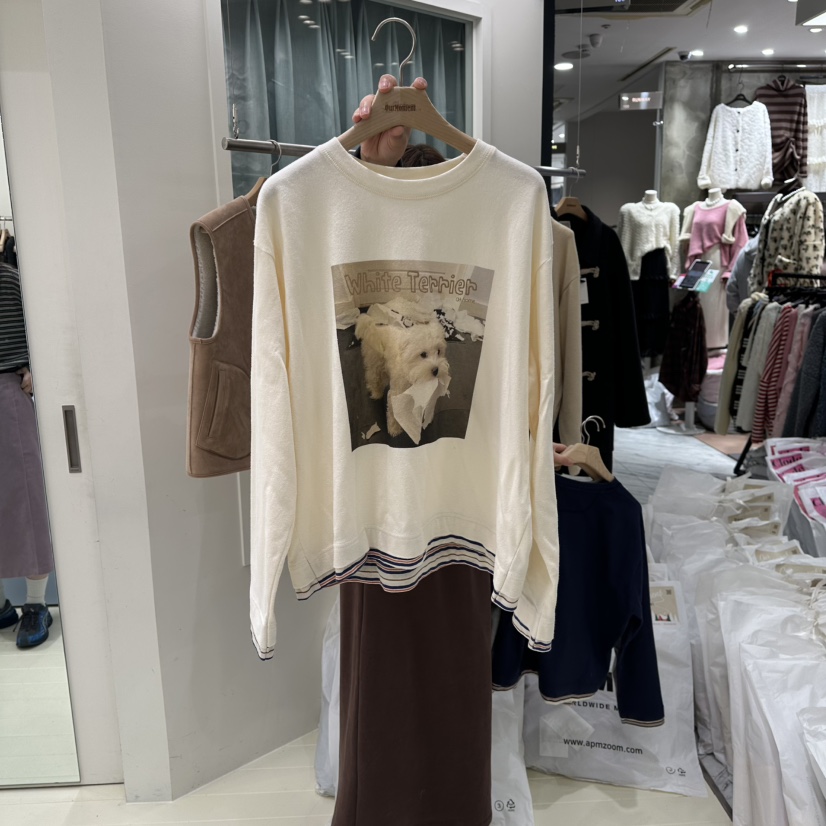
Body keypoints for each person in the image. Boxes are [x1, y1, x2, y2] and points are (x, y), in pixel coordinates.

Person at [0, 261, 55, 648]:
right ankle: (2, 606)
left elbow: (43, 323)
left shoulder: (6, 278)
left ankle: (36, 604)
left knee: (25, 498)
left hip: (7, 387)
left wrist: (37, 366)